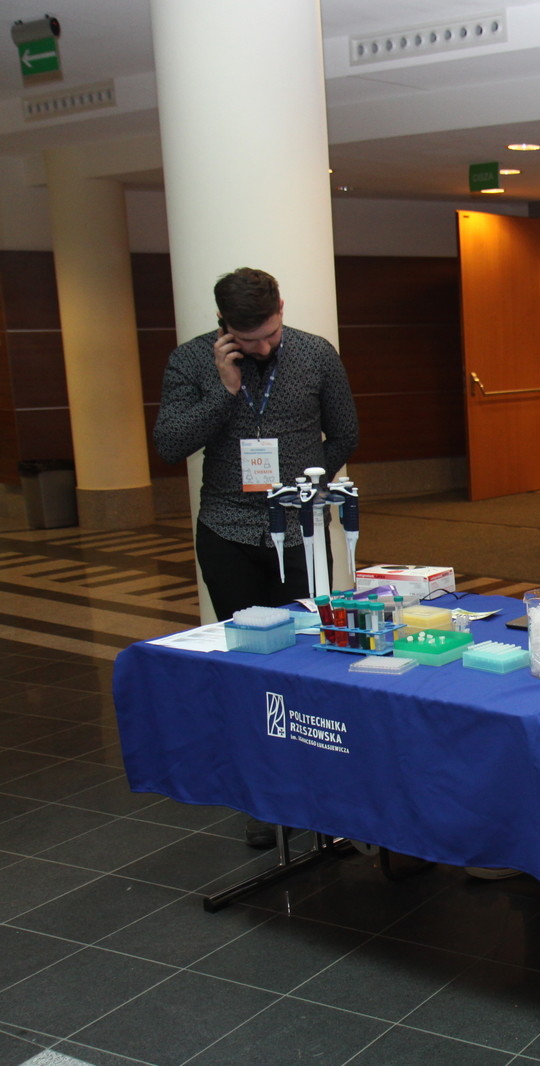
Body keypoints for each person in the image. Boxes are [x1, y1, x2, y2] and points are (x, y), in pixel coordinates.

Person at [154, 267, 358, 850]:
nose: (264, 348)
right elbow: (169, 445)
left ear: (281, 308)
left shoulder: (316, 354)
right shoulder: (191, 362)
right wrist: (223, 391)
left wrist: (307, 482)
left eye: (270, 334)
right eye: (250, 340)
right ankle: (261, 795)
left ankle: (318, 784)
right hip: (228, 532)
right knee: (248, 665)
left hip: (299, 533)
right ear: (224, 327)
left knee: (308, 658)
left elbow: (346, 432)